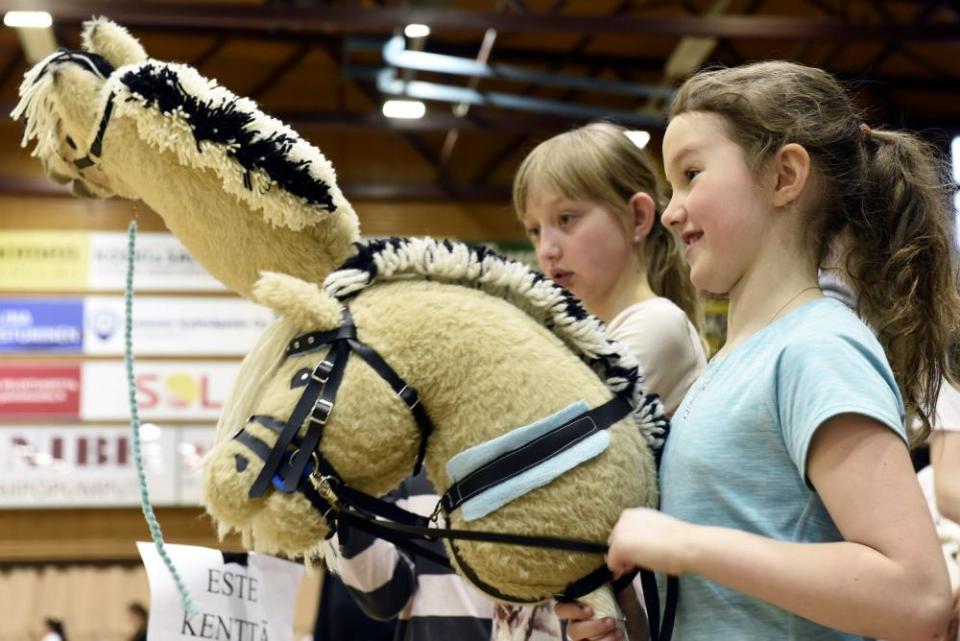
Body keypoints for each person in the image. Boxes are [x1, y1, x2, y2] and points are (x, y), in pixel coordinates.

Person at [559, 60, 958, 641]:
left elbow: (916, 596)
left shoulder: (817, 346)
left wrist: (691, 545)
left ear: (784, 176)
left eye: (691, 173)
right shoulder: (731, 362)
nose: (671, 210)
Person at [505, 122, 708, 639]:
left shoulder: (654, 325)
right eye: (534, 229)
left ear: (638, 217)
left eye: (566, 219)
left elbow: (535, 452)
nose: (546, 248)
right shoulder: (579, 336)